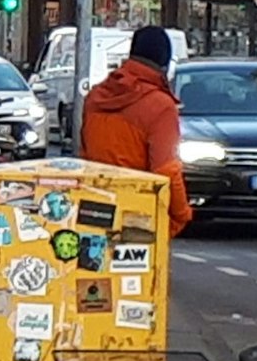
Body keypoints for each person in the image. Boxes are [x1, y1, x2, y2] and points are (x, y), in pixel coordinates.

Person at [80, 26, 193, 237]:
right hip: (138, 211)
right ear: (164, 63)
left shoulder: (96, 97)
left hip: (95, 206)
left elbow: (85, 154)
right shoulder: (160, 106)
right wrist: (181, 213)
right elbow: (166, 169)